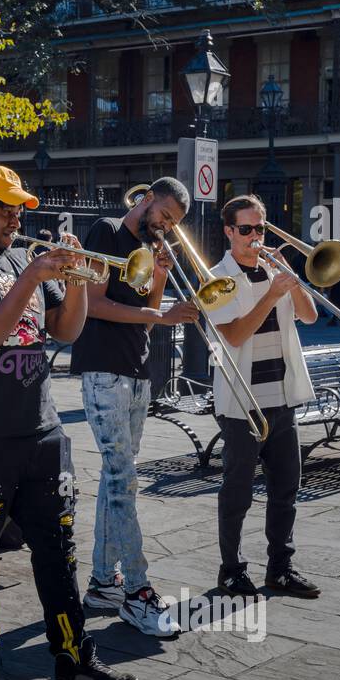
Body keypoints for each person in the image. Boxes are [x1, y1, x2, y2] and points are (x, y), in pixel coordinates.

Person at [0, 163, 138, 680]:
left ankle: (73, 658)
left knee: (58, 551)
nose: (17, 218)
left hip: (41, 431)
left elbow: (65, 330)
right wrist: (33, 277)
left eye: (20, 208)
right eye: (6, 208)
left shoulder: (23, 262)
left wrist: (82, 281)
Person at [71, 177, 200, 635]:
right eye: (163, 216)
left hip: (136, 369)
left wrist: (162, 275)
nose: (164, 226)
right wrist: (158, 315)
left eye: (173, 223)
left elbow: (145, 316)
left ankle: (104, 583)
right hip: (103, 369)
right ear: (146, 200)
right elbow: (95, 304)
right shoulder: (105, 232)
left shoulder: (149, 248)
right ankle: (138, 592)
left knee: (115, 479)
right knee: (123, 480)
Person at [207, 195, 321, 598]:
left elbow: (310, 316)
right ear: (228, 231)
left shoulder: (275, 271)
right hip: (242, 402)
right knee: (237, 491)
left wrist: (290, 278)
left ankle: (281, 568)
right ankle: (231, 570)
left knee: (286, 486)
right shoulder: (215, 279)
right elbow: (234, 335)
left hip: (282, 394)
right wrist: (271, 295)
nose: (255, 236)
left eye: (261, 228)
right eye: (246, 229)